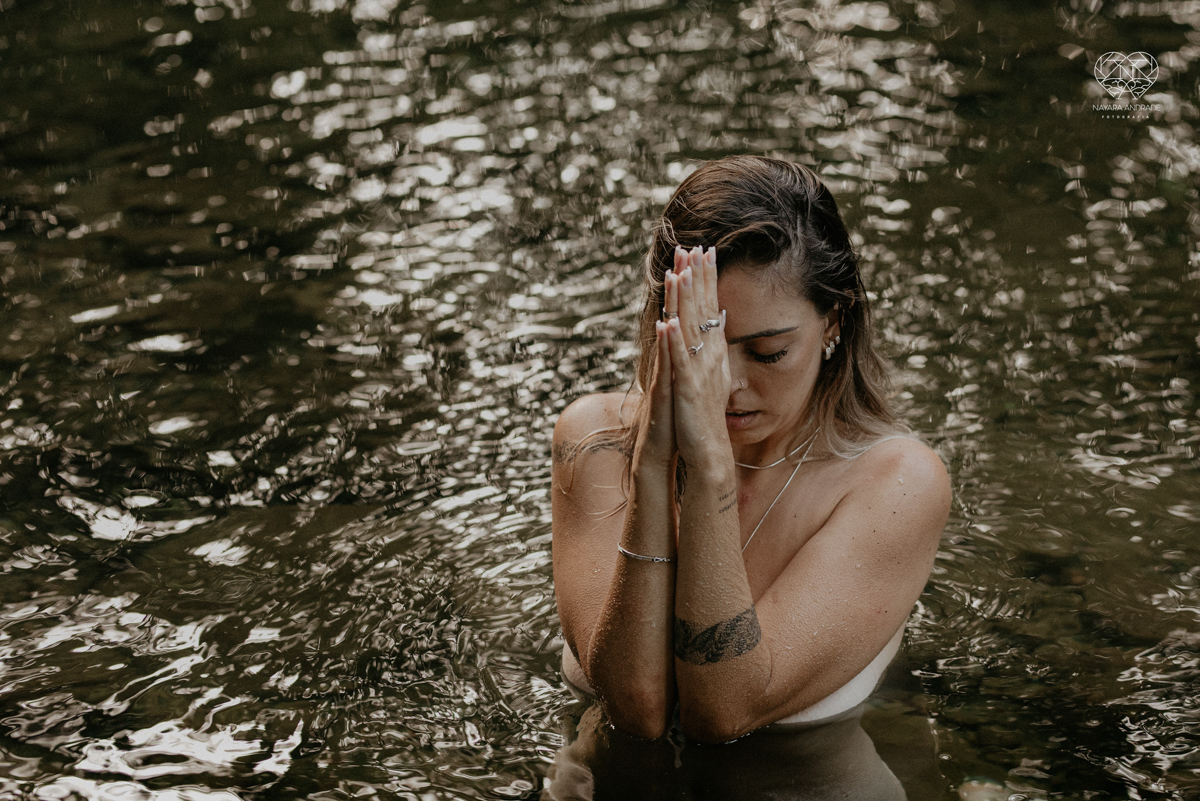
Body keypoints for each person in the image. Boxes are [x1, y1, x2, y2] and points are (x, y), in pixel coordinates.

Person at [550, 155, 952, 746]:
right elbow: (633, 708)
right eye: (699, 343)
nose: (726, 386)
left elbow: (724, 714)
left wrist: (709, 465)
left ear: (833, 322)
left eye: (767, 353)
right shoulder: (596, 442)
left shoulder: (896, 484)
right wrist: (656, 464)